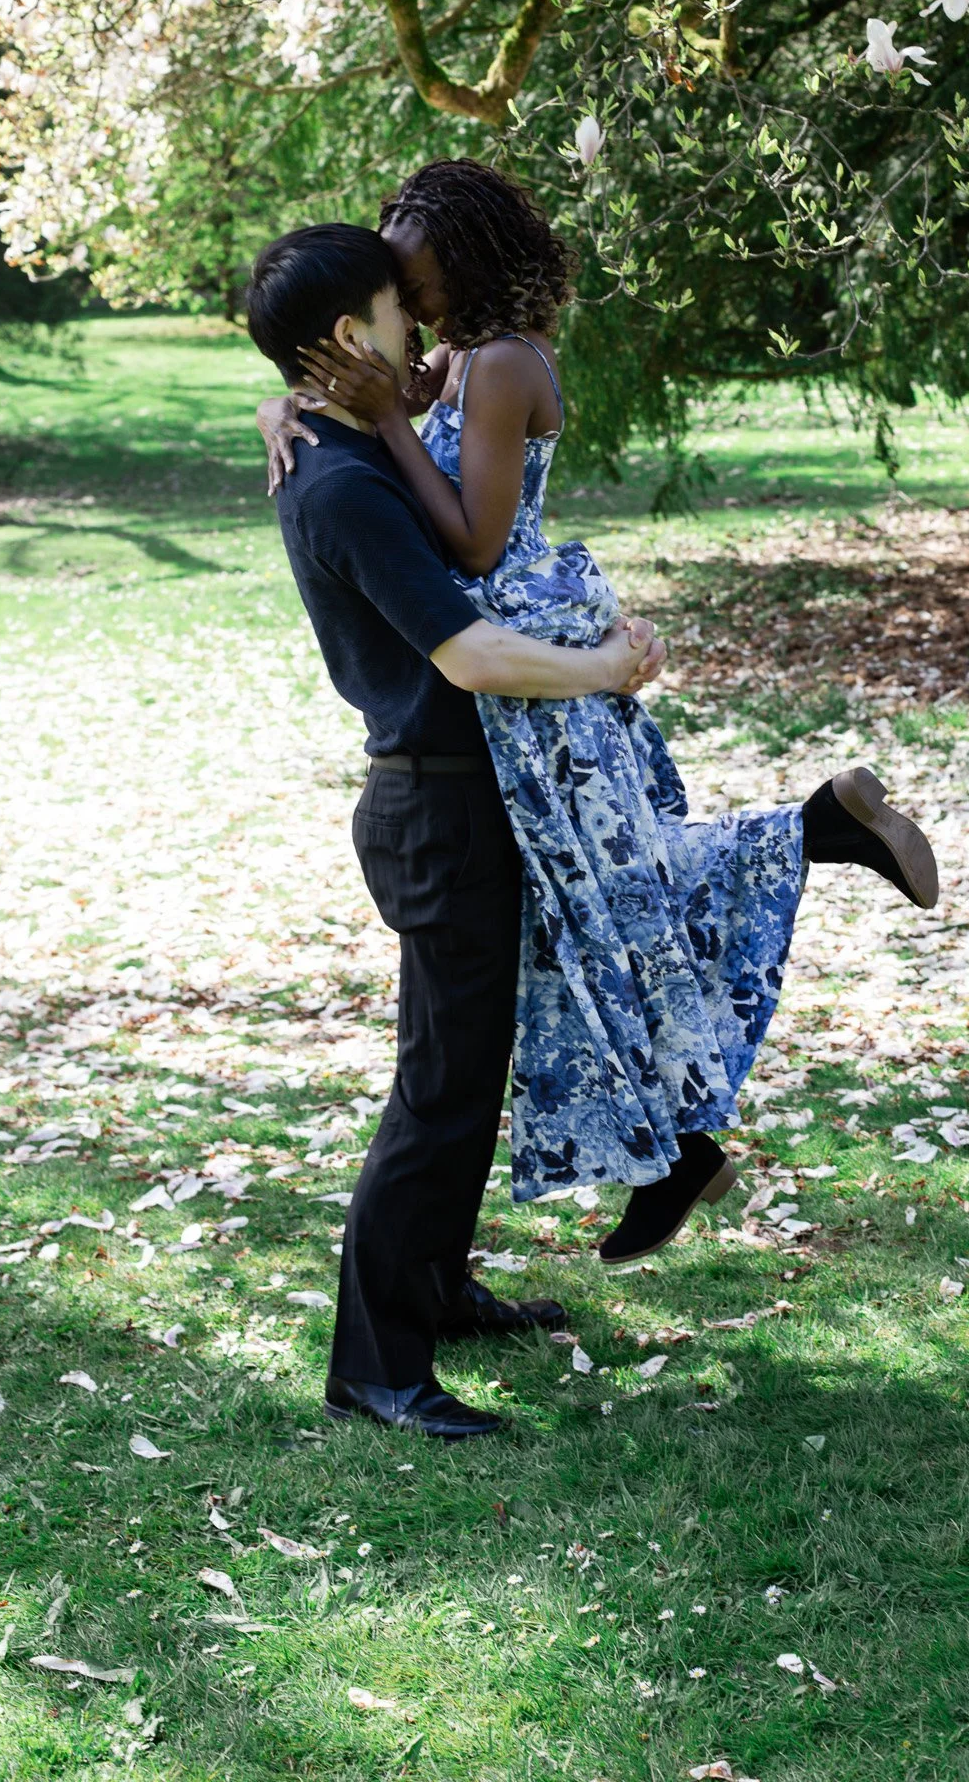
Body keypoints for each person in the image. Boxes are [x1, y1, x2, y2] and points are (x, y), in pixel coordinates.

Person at [258, 164, 938, 1300]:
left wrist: (381, 410)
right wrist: (292, 403)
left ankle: (815, 840)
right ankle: (680, 1145)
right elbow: (370, 438)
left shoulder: (504, 361)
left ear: (458, 250)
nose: (394, 264)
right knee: (595, 906)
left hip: (532, 659)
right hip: (522, 667)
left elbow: (473, 547)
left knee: (623, 886)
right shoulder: (457, 362)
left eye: (405, 248)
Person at [246, 222, 668, 1443]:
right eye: (397, 306)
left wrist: (296, 402)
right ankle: (375, 1364)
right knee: (437, 1090)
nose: (420, 327)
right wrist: (603, 668)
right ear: (345, 337)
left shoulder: (333, 440)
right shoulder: (334, 483)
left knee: (467, 1074)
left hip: (454, 796)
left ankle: (435, 1289)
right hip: (434, 800)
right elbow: (473, 655)